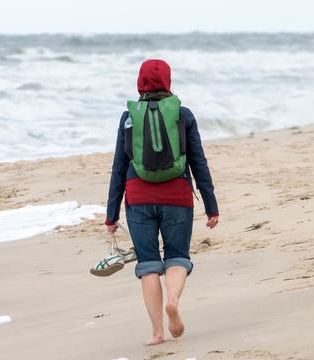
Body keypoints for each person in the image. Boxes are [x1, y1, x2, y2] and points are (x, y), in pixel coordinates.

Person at [104, 59, 219, 346]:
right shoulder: (183, 115)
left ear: (139, 83)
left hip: (139, 198)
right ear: (168, 81)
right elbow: (198, 161)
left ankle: (157, 333)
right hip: (177, 196)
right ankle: (174, 301)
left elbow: (119, 166)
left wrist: (111, 214)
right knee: (177, 257)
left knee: (149, 265)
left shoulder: (128, 118)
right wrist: (211, 204)